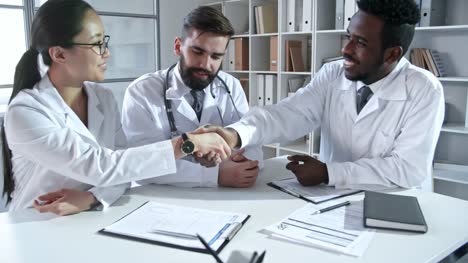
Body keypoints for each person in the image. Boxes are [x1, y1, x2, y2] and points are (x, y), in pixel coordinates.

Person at [2, 0, 231, 215]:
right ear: (60, 54)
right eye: (97, 44)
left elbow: (124, 169)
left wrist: (92, 197)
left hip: (90, 218)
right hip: (33, 225)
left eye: (105, 41)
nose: (107, 52)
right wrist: (186, 144)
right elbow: (102, 166)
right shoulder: (25, 111)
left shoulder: (103, 98)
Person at [200, 0, 445, 190]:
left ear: (392, 55)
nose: (345, 49)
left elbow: (407, 169)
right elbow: (289, 113)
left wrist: (329, 173)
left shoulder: (424, 89)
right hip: (331, 201)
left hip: (394, 204)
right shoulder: (333, 73)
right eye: (348, 36)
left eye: (360, 43)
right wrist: (235, 134)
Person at [121, 6, 262, 189]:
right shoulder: (142, 92)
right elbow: (142, 163)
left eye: (216, 56)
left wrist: (242, 161)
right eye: (197, 52)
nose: (206, 64)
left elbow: (252, 141)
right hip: (164, 198)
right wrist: (214, 175)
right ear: (178, 46)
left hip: (224, 194)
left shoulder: (230, 86)